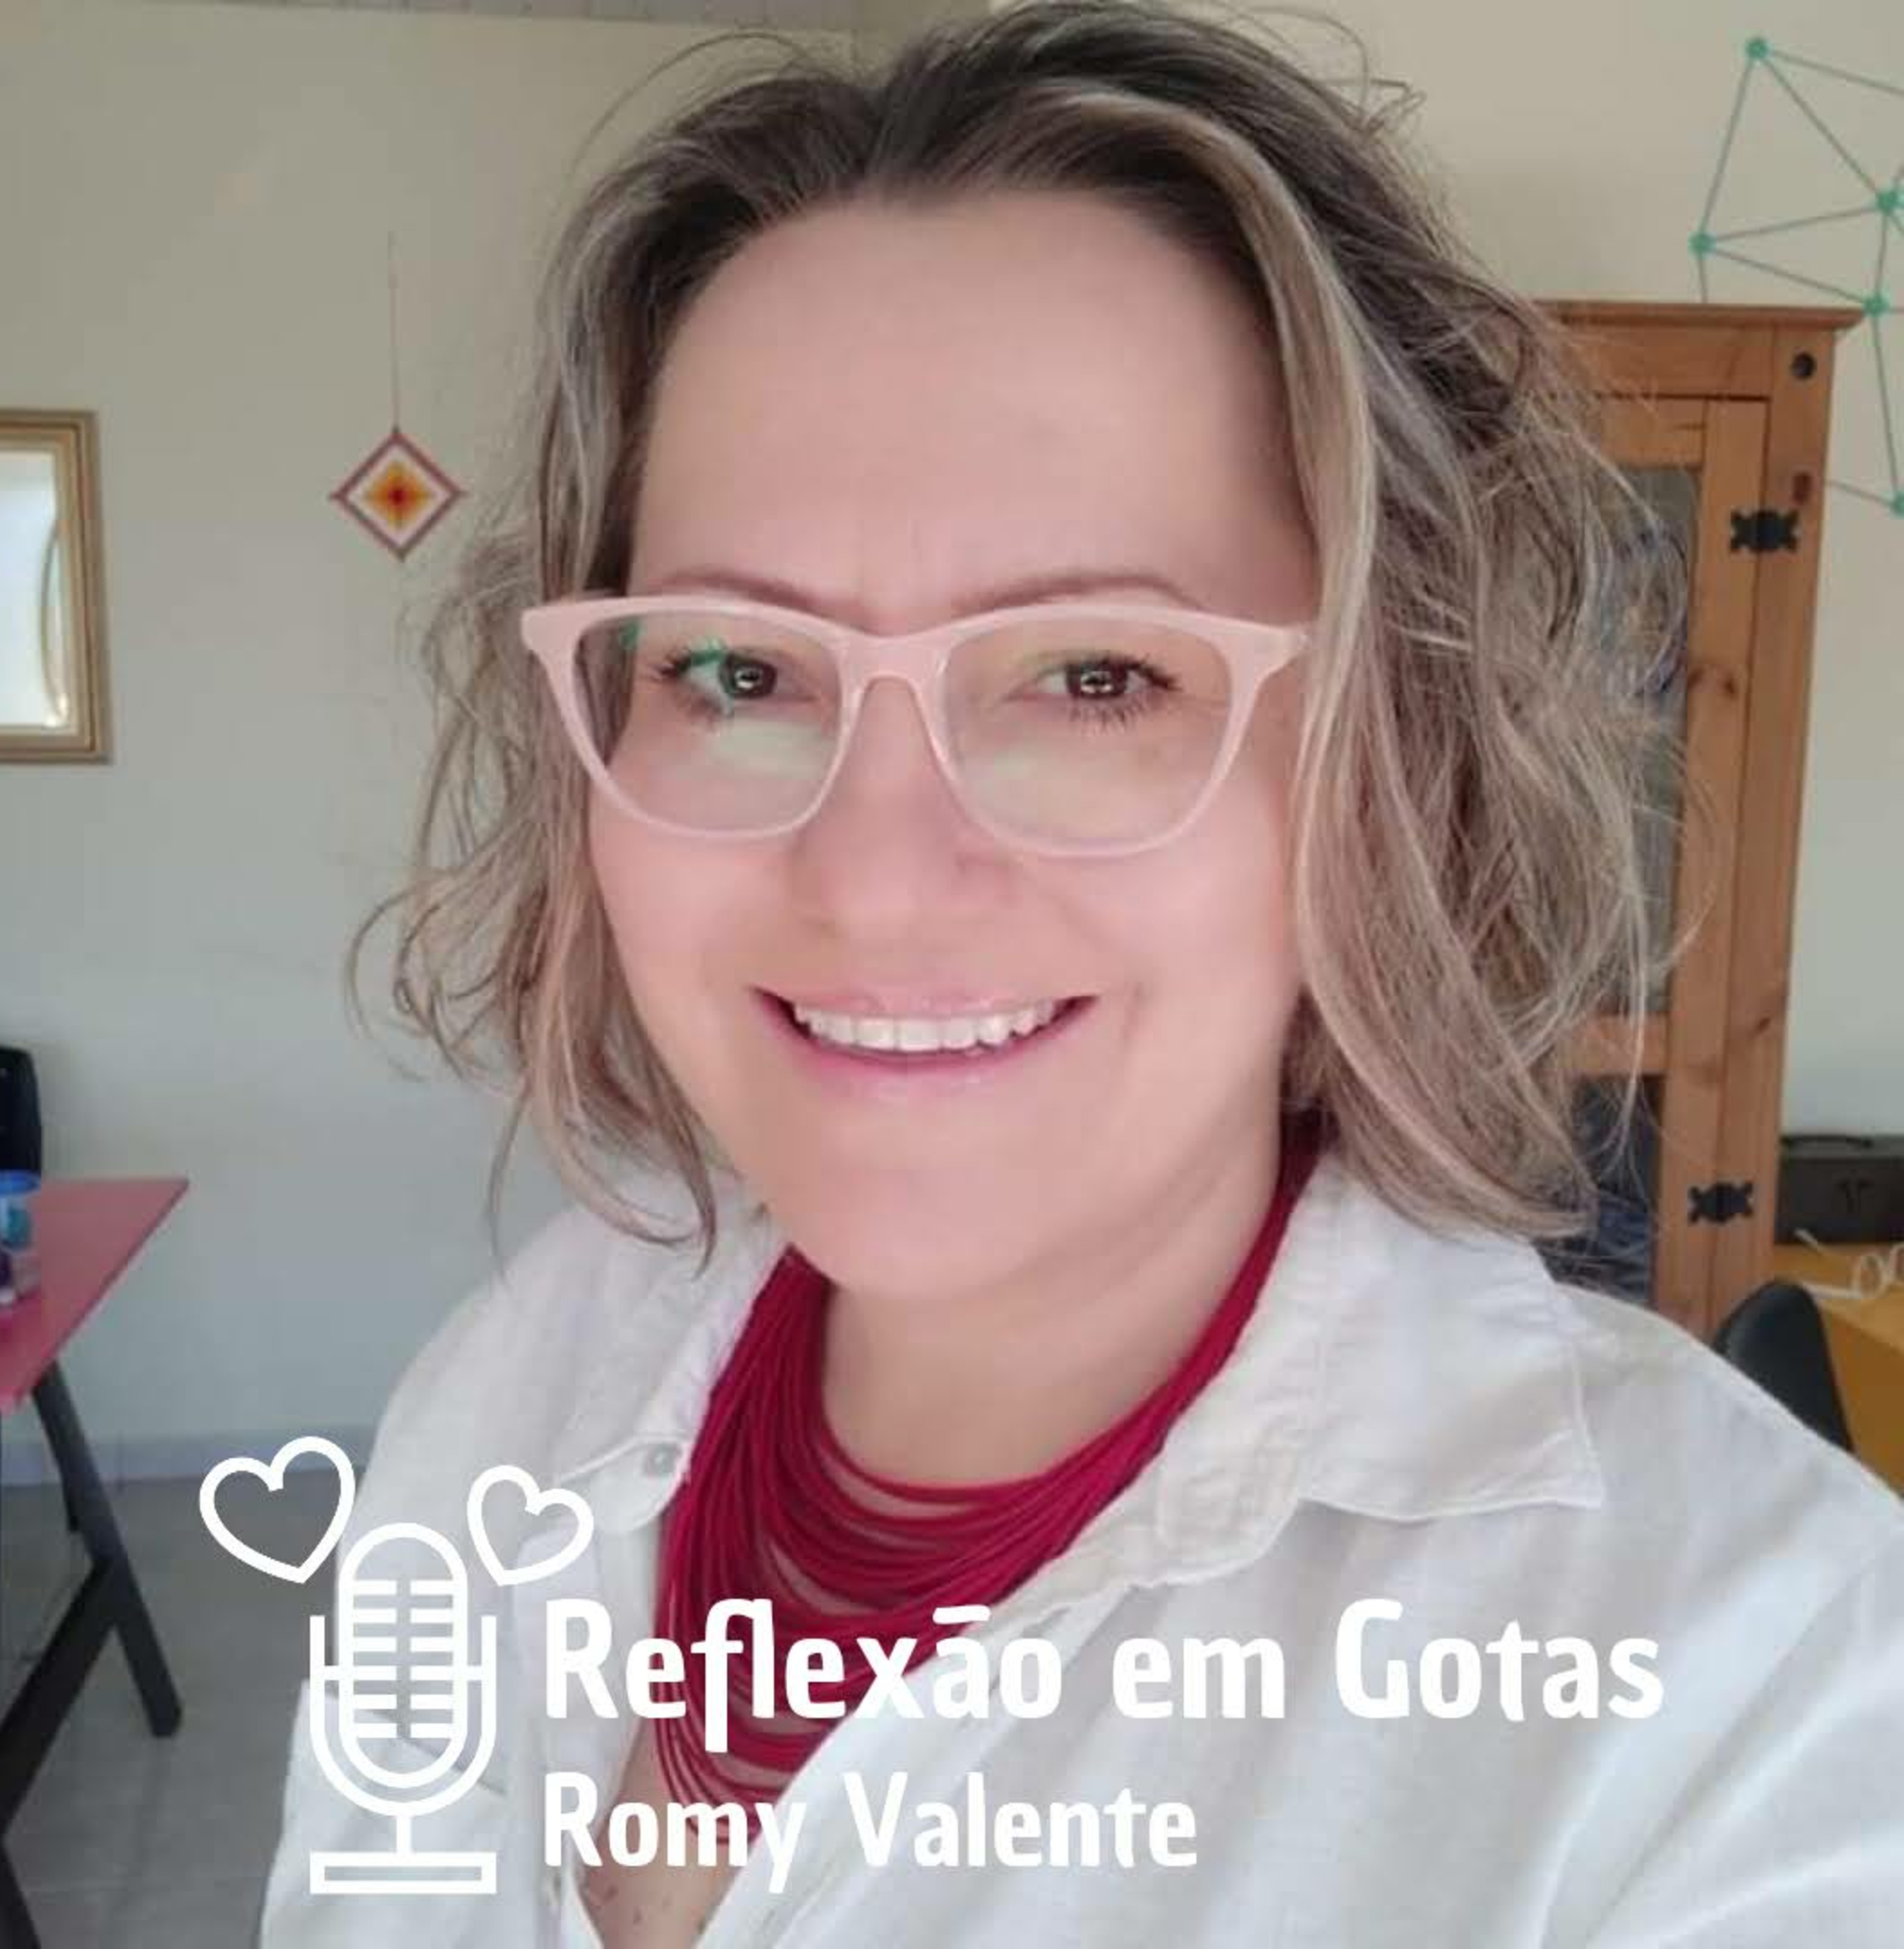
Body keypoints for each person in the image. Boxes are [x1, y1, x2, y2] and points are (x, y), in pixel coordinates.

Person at [261, 4, 1903, 1944]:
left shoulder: (1761, 1690)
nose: (875, 881)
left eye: (1097, 676)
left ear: (1386, 764)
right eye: (737, 668)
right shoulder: (513, 1387)